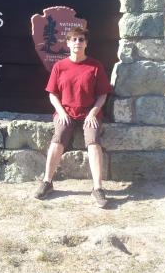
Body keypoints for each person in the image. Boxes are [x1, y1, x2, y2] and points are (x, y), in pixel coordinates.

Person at [33, 26, 112, 207]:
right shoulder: (60, 67)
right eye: (74, 39)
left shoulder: (95, 66)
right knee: (58, 137)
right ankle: (47, 182)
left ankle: (98, 188)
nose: (78, 42)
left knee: (93, 141)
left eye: (81, 39)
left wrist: (93, 113)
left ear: (86, 43)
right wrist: (61, 112)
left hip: (89, 113)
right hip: (65, 112)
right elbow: (52, 94)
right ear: (68, 43)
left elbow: (102, 94)